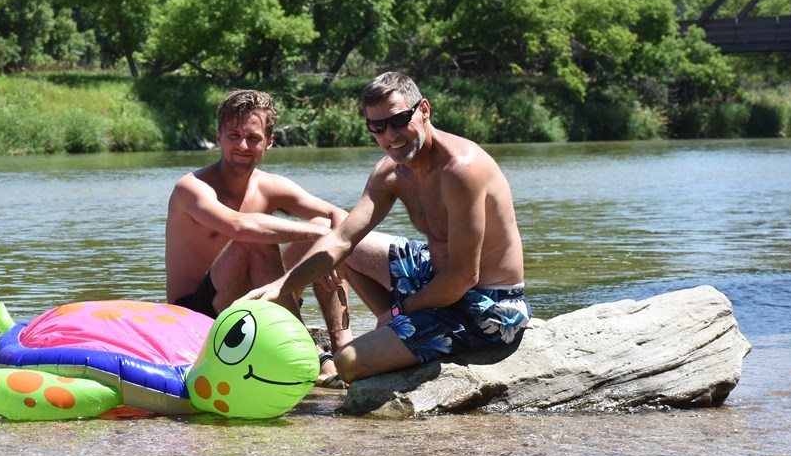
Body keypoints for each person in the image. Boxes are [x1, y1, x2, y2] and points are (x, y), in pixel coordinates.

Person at [241, 72, 530, 384]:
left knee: (349, 364)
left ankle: (390, 331)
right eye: (376, 126)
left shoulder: (460, 171)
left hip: (486, 305)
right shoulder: (391, 173)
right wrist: (279, 287)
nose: (390, 135)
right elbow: (342, 238)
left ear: (424, 111)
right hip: (433, 273)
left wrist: (396, 314)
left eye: (399, 120)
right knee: (331, 239)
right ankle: (386, 334)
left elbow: (463, 276)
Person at [164, 89, 392, 388]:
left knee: (324, 227)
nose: (243, 145)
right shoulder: (191, 188)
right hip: (199, 313)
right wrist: (330, 237)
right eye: (233, 135)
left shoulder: (271, 186)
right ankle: (311, 354)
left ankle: (342, 342)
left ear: (269, 142)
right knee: (258, 239)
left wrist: (332, 244)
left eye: (254, 137)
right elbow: (240, 227)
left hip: (256, 294)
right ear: (218, 137)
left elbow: (339, 217)